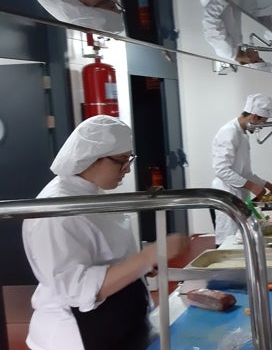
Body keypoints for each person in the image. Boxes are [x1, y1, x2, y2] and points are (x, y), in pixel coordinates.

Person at [22, 115, 189, 350]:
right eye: (121, 161)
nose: (127, 169)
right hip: (75, 335)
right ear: (91, 158)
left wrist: (141, 263)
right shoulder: (56, 208)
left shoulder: (90, 193)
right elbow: (78, 290)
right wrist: (149, 255)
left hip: (117, 323)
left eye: (129, 159)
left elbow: (103, 254)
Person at [211, 93, 272, 245]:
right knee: (229, 242)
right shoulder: (229, 132)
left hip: (239, 196)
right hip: (226, 195)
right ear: (254, 117)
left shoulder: (242, 134)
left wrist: (268, 185)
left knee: (241, 239)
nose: (260, 127)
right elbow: (221, 170)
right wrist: (252, 186)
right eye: (262, 123)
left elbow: (245, 173)